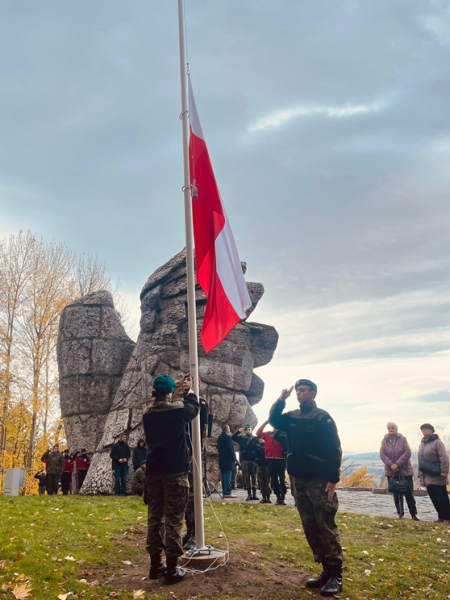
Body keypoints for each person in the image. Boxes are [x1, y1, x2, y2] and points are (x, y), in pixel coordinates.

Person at [269, 379, 344, 597]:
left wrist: (333, 477)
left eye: (302, 390)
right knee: (309, 524)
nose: (298, 394)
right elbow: (274, 420)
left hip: (319, 479)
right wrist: (280, 400)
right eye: (297, 391)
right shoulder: (292, 416)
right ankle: (325, 571)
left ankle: (336, 574)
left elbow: (334, 447)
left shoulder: (323, 417)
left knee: (325, 524)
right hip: (298, 478)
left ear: (313, 393)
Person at [143, 374, 199, 585]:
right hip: (174, 472)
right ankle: (173, 569)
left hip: (153, 472)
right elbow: (193, 408)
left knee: (155, 518)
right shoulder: (177, 410)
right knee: (174, 520)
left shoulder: (147, 412)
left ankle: (156, 565)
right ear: (169, 391)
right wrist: (189, 391)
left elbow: (170, 402)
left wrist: (172, 388)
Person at [380, 422, 419, 520]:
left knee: (409, 493)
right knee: (396, 493)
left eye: (392, 428)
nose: (391, 429)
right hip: (391, 472)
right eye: (389, 428)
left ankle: (414, 514)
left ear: (396, 429)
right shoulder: (384, 441)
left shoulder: (403, 439)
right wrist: (391, 465)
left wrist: (398, 464)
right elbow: (382, 454)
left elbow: (407, 452)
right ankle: (399, 513)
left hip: (405, 470)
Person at [418, 423, 450, 524]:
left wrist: (443, 473)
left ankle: (448, 518)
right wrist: (421, 477)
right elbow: (420, 462)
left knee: (442, 497)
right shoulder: (422, 445)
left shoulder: (437, 443)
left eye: (427, 429)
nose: (425, 431)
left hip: (438, 474)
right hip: (427, 476)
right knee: (434, 498)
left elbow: (444, 459)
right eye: (423, 429)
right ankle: (441, 516)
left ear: (432, 431)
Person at [257, 420, 287, 505]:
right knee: (274, 480)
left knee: (282, 479)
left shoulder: (282, 434)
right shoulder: (267, 434)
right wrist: (265, 423)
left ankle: (283, 498)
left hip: (280, 459)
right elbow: (258, 433)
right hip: (270, 459)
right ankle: (278, 497)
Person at [232, 425, 258, 501]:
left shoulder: (255, 439)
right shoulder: (242, 438)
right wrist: (239, 431)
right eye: (246, 430)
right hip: (245, 460)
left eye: (249, 429)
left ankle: (255, 494)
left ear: (251, 430)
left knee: (254, 477)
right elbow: (233, 438)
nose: (247, 431)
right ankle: (249, 494)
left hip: (253, 460)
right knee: (246, 477)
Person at [248, 436, 272, 503]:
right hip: (259, 465)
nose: (261, 440)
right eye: (260, 439)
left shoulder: (267, 445)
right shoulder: (256, 446)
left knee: (267, 481)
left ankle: (268, 497)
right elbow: (248, 446)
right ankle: (264, 497)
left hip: (267, 465)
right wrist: (252, 438)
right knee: (261, 481)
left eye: (262, 438)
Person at [217, 424, 237, 499]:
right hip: (228, 459)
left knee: (223, 475)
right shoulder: (228, 438)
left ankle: (224, 491)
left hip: (222, 459)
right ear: (227, 430)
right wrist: (234, 459)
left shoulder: (220, 438)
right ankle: (228, 492)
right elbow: (231, 449)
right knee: (228, 476)